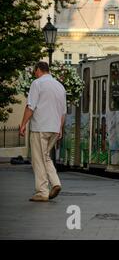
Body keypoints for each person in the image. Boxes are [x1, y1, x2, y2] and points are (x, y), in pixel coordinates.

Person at [19, 61, 66, 202]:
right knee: (45, 157)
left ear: (38, 70)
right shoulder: (60, 86)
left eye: (35, 71)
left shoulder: (37, 83)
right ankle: (56, 182)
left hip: (40, 127)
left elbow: (30, 106)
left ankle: (42, 192)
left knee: (38, 160)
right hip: (54, 128)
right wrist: (60, 128)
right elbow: (63, 112)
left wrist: (23, 124)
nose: (35, 74)